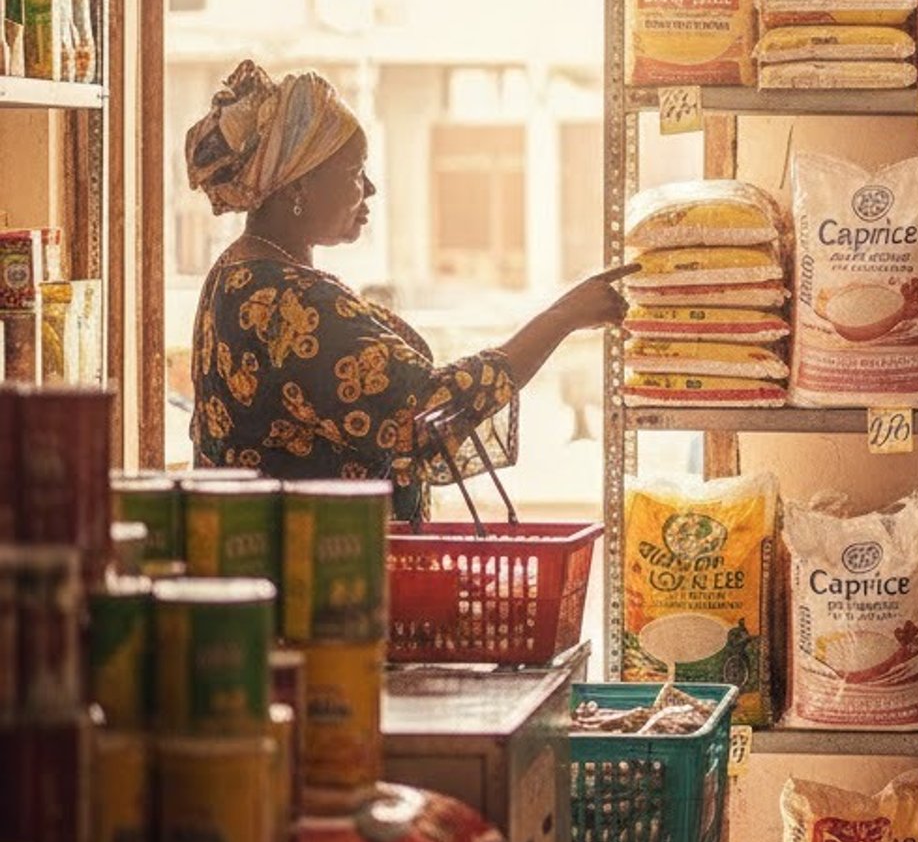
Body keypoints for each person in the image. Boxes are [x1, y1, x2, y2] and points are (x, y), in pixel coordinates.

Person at [185, 59, 628, 517]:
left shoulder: (238, 273)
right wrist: (562, 318)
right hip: (314, 564)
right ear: (299, 186)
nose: (370, 189)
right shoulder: (288, 301)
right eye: (355, 172)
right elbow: (426, 410)